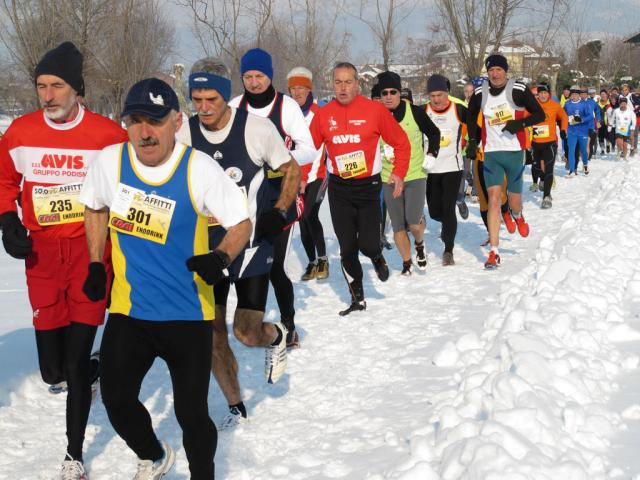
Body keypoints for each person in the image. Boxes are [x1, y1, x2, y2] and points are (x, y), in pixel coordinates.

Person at [79, 78, 252, 479]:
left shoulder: (198, 169)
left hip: (187, 312)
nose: (145, 131)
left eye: (155, 121)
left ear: (176, 122)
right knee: (116, 398)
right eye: (136, 120)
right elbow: (95, 208)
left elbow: (241, 222)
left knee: (191, 413)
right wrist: (93, 263)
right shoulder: (110, 162)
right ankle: (153, 454)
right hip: (130, 309)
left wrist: (221, 256)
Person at [0, 42, 127, 479]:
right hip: (41, 257)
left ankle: (73, 454)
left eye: (57, 86)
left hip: (91, 254)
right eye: (41, 86)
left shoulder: (108, 136)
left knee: (70, 366)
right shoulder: (20, 132)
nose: (48, 95)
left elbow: (130, 189)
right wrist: (6, 218)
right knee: (52, 370)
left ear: (76, 89)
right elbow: (4, 179)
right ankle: (91, 370)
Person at [176, 59, 300, 428]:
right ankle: (235, 406)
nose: (204, 107)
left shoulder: (257, 129)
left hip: (250, 244)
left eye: (211, 97)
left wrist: (280, 209)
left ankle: (275, 334)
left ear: (224, 94)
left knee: (245, 333)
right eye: (196, 99)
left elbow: (290, 169)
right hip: (208, 249)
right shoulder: (184, 134)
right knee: (213, 335)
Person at [229, 48, 316, 346]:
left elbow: (308, 149)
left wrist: (275, 157)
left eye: (260, 76)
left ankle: (289, 324)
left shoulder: (286, 107)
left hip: (281, 195)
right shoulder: (234, 106)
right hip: (245, 198)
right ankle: (252, 324)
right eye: (248, 77)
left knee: (275, 265)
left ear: (270, 76)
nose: (254, 83)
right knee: (249, 264)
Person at [309, 62, 410, 315]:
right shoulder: (323, 114)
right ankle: (358, 299)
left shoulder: (374, 111)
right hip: (339, 188)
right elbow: (307, 150)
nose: (342, 87)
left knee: (368, 244)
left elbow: (401, 143)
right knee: (347, 247)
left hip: (368, 186)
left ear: (358, 84)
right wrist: (299, 177)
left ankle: (376, 256)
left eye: (348, 82)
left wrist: (398, 173)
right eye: (338, 82)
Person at [466, 54, 544, 269]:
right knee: (493, 199)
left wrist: (520, 125)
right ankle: (494, 252)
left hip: (514, 153)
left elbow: (539, 114)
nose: (495, 73)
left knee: (515, 200)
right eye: (491, 70)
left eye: (499, 69)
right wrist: (473, 141)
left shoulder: (518, 89)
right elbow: (471, 116)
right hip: (491, 153)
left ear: (505, 71)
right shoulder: (481, 92)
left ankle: (517, 214)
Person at [376, 71, 439, 274]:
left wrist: (432, 152)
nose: (388, 96)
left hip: (414, 174)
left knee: (413, 221)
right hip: (389, 177)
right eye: (383, 92)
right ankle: (406, 264)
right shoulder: (375, 115)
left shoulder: (415, 112)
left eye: (392, 92)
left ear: (400, 93)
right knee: (397, 226)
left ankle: (419, 243)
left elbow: (434, 132)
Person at [287, 66, 329, 282]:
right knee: (301, 219)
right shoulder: (288, 115)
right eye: (293, 88)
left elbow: (320, 147)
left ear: (309, 89)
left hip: (317, 174)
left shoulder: (319, 113)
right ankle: (312, 262)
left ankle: (323, 259)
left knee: (310, 214)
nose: (297, 92)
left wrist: (305, 178)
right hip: (295, 177)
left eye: (301, 87)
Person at [424, 74, 466, 266]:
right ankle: (447, 224)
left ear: (447, 93)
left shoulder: (457, 110)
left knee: (448, 207)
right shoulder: (423, 111)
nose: (436, 99)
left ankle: (448, 249)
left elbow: (476, 122)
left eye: (440, 95)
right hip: (431, 169)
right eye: (432, 95)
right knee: (434, 211)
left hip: (453, 167)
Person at [530, 82, 568, 209]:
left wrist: (563, 129)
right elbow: (522, 119)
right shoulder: (532, 105)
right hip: (535, 143)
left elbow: (564, 117)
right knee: (538, 168)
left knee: (549, 168)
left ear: (549, 94)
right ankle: (542, 179)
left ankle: (546, 196)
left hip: (550, 143)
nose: (543, 95)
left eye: (545, 93)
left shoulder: (555, 106)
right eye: (541, 93)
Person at [564, 86, 592, 176]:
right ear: (570, 95)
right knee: (571, 150)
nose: (574, 96)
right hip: (571, 131)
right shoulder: (567, 104)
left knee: (583, 150)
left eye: (576, 94)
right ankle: (572, 170)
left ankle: (585, 164)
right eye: (573, 94)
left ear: (579, 95)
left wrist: (581, 119)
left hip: (582, 131)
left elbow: (590, 116)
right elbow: (563, 116)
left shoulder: (584, 104)